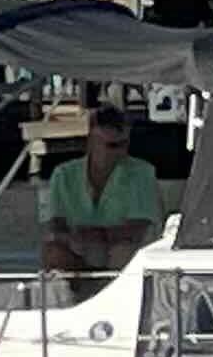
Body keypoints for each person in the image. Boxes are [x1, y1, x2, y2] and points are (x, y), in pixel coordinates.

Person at [39, 102, 162, 294]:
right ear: (91, 142)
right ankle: (68, 305)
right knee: (53, 252)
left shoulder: (143, 173)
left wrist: (95, 236)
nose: (120, 152)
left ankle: (114, 301)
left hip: (121, 251)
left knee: (122, 252)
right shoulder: (63, 174)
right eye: (112, 145)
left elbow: (138, 229)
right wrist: (77, 239)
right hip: (79, 251)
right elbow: (55, 224)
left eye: (124, 145)